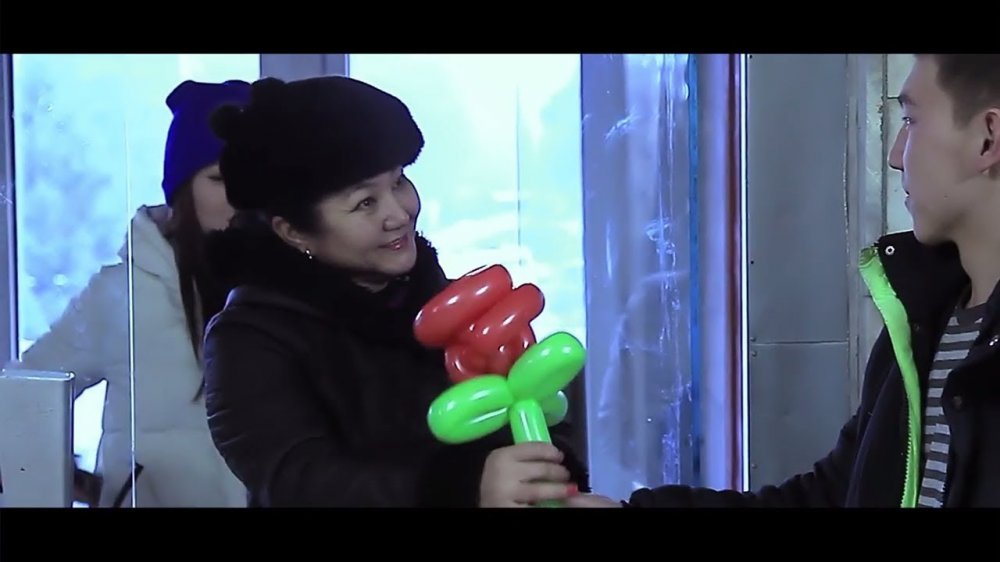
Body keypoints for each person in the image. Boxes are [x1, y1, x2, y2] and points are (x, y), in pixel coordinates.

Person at [542, 53, 1000, 509]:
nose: (896, 156)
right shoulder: (919, 323)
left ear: (987, 139)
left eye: (911, 120)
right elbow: (829, 497)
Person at [200, 75, 589, 508]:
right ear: (293, 231)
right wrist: (461, 487)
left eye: (399, 182)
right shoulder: (249, 338)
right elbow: (298, 480)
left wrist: (551, 474)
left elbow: (528, 406)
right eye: (365, 202)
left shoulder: (444, 302)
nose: (400, 214)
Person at [6, 80, 251, 507]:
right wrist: (71, 482)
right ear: (182, 189)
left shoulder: (291, 288)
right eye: (218, 178)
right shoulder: (123, 293)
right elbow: (22, 398)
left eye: (250, 179)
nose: (238, 198)